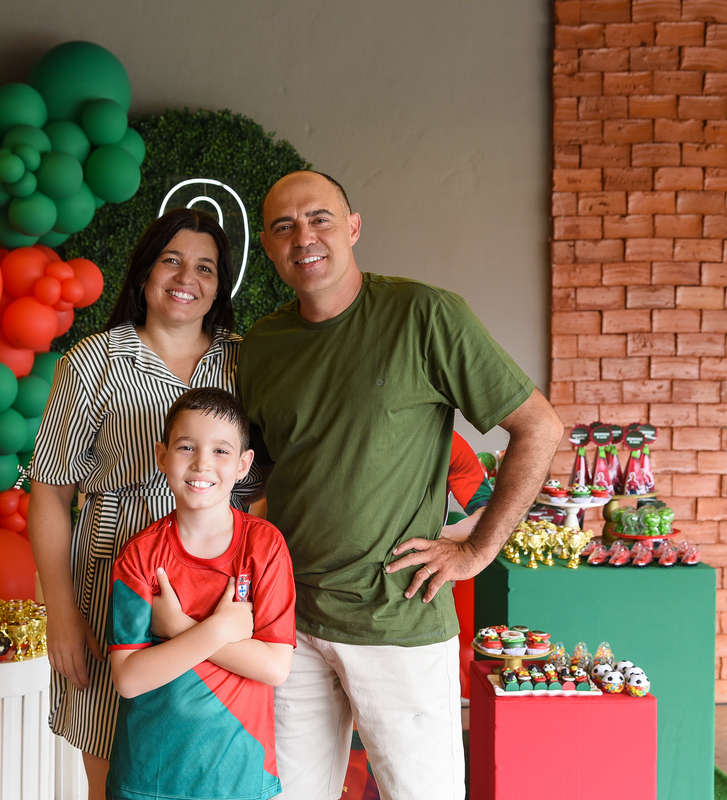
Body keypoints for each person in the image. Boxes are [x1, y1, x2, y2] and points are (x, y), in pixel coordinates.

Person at [237, 170, 563, 800]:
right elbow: (265, 472)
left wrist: (477, 550)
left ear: (353, 227)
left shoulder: (424, 315)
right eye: (283, 226)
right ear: (270, 248)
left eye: (320, 218)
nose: (304, 236)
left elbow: (539, 427)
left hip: (398, 618)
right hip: (291, 622)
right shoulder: (264, 346)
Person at [27, 208, 253, 800]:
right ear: (145, 271)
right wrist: (61, 613)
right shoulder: (92, 363)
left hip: (215, 591)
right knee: (115, 761)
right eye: (171, 260)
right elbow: (49, 492)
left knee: (211, 759)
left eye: (205, 267)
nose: (186, 278)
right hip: (112, 588)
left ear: (220, 286)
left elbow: (261, 489)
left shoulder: (246, 361)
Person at [107, 387, 295, 800]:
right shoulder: (140, 554)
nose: (202, 463)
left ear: (244, 464)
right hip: (149, 779)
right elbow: (129, 679)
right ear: (162, 456)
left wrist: (178, 626)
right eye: (186, 447)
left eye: (221, 451)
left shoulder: (264, 546)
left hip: (239, 776)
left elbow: (274, 667)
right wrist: (219, 630)